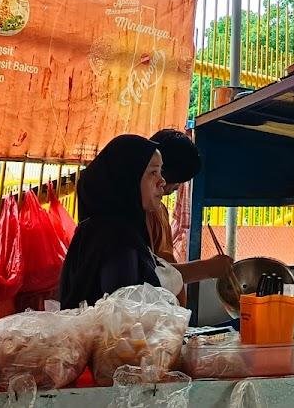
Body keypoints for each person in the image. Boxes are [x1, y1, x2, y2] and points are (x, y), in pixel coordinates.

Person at [59, 134, 231, 308]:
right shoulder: (116, 240)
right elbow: (126, 315)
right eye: (153, 173)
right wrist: (207, 269)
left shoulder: (116, 231)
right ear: (128, 178)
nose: (163, 182)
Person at [146, 128, 202, 305]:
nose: (177, 187)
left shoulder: (159, 209)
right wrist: (208, 269)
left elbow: (165, 263)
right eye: (154, 172)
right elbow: (152, 274)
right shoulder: (140, 215)